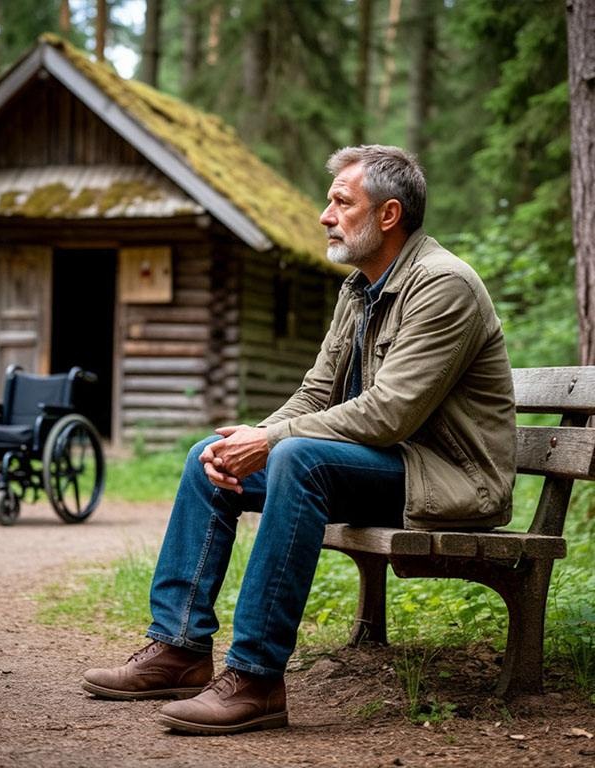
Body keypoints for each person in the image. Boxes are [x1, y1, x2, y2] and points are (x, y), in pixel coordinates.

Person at [82, 144, 516, 735]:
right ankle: (179, 649)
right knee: (207, 456)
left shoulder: (443, 286)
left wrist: (275, 441)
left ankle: (257, 679)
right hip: (384, 465)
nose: (324, 214)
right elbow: (315, 395)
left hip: (448, 479)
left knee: (298, 456)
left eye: (342, 201)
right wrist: (253, 438)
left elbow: (390, 414)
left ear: (388, 216)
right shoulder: (358, 291)